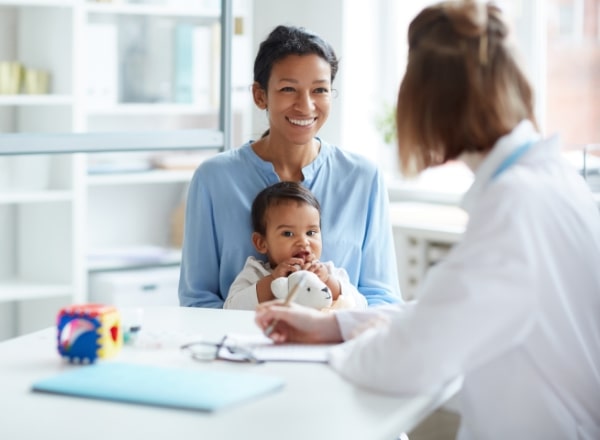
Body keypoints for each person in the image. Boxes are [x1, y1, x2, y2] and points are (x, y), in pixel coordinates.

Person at [255, 2, 600, 439]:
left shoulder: (516, 207)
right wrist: (336, 325)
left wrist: (338, 352)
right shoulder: (545, 182)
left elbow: (409, 360)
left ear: (434, 101)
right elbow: (449, 310)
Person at [179, 25, 401, 308]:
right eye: (288, 89)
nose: (306, 106)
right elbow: (197, 301)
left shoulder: (364, 178)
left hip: (337, 348)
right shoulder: (214, 179)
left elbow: (383, 300)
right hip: (241, 348)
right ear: (260, 96)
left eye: (319, 90)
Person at [224, 181, 368, 310]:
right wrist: (272, 281)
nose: (304, 242)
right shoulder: (255, 273)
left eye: (311, 232)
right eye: (288, 233)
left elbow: (361, 306)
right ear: (261, 242)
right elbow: (230, 309)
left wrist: (328, 282)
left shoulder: (330, 271)